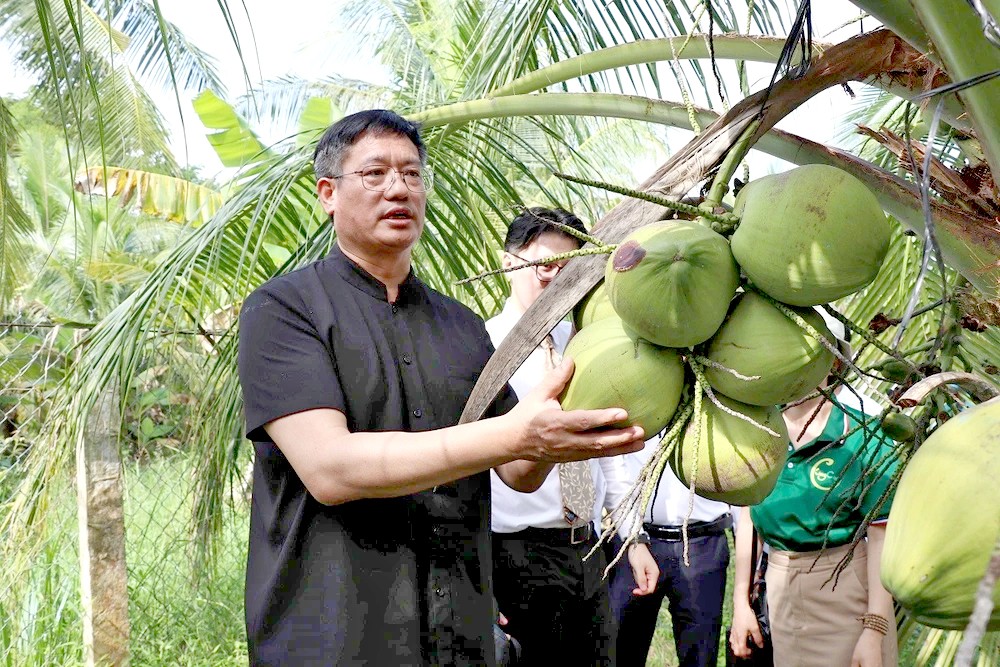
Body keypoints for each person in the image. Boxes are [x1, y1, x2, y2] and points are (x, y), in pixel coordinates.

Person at [236, 110, 646, 666]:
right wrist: (514, 436)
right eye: (375, 173)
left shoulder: (461, 326)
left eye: (412, 174)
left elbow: (518, 471)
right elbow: (331, 470)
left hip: (458, 638)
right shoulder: (283, 310)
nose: (398, 188)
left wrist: (567, 423)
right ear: (328, 193)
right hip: (335, 638)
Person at [485, 207, 659, 666]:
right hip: (514, 557)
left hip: (588, 549)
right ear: (508, 262)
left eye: (569, 269)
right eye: (544, 264)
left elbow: (606, 452)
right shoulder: (483, 348)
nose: (556, 278)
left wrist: (632, 538)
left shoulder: (589, 344)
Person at [728, 317, 901, 667]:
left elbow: (882, 537)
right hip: (780, 588)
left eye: (810, 353)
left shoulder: (865, 435)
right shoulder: (757, 432)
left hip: (845, 589)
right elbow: (749, 514)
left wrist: (875, 629)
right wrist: (741, 604)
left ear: (834, 362)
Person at [608, 437, 733, 667]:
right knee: (619, 648)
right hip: (636, 539)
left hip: (701, 542)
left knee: (700, 653)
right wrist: (631, 533)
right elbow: (613, 464)